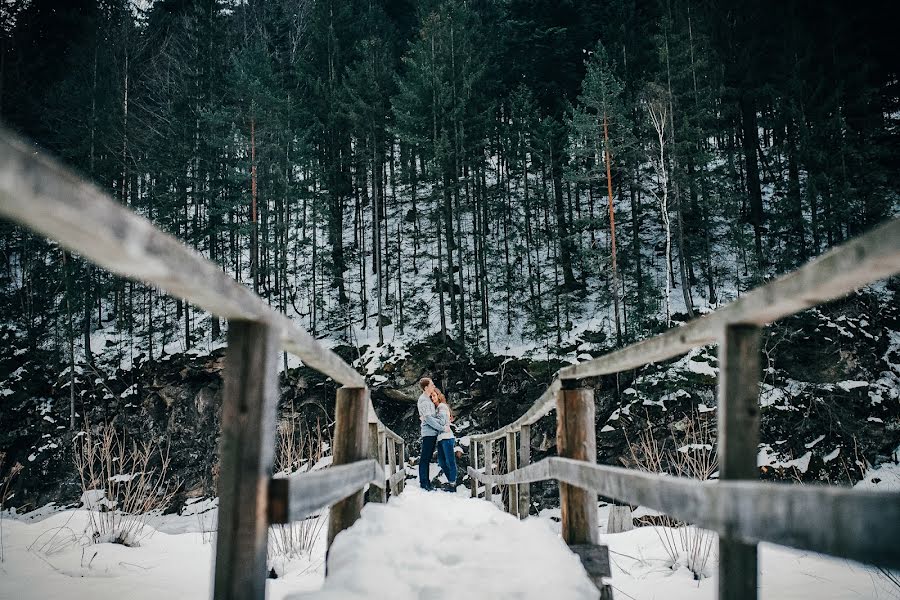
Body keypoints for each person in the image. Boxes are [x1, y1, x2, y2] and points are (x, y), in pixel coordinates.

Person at [417, 377, 447, 490]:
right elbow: (429, 419)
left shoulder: (428, 399)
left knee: (427, 457)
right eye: (432, 384)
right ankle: (424, 484)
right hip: (429, 433)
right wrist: (441, 428)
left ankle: (426, 482)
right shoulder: (424, 400)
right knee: (425, 458)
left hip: (432, 432)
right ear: (426, 387)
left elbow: (431, 417)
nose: (434, 386)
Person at [433, 387, 457, 492]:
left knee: (449, 461)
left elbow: (442, 423)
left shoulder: (442, 406)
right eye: (430, 396)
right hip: (441, 439)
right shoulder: (437, 408)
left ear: (438, 396)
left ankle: (452, 484)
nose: (432, 398)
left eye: (434, 395)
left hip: (447, 438)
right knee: (442, 462)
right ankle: (451, 481)